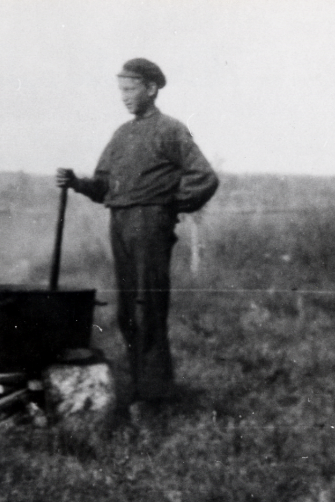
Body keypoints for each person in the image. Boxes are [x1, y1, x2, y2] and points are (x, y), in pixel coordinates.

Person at [57, 58, 218, 411]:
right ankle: (138, 389)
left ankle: (156, 397)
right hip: (120, 222)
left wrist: (168, 206)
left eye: (130, 89)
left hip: (150, 226)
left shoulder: (171, 130)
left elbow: (205, 178)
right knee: (128, 311)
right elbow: (102, 186)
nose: (124, 97)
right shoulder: (122, 134)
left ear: (151, 88)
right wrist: (76, 183)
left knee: (148, 308)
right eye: (121, 90)